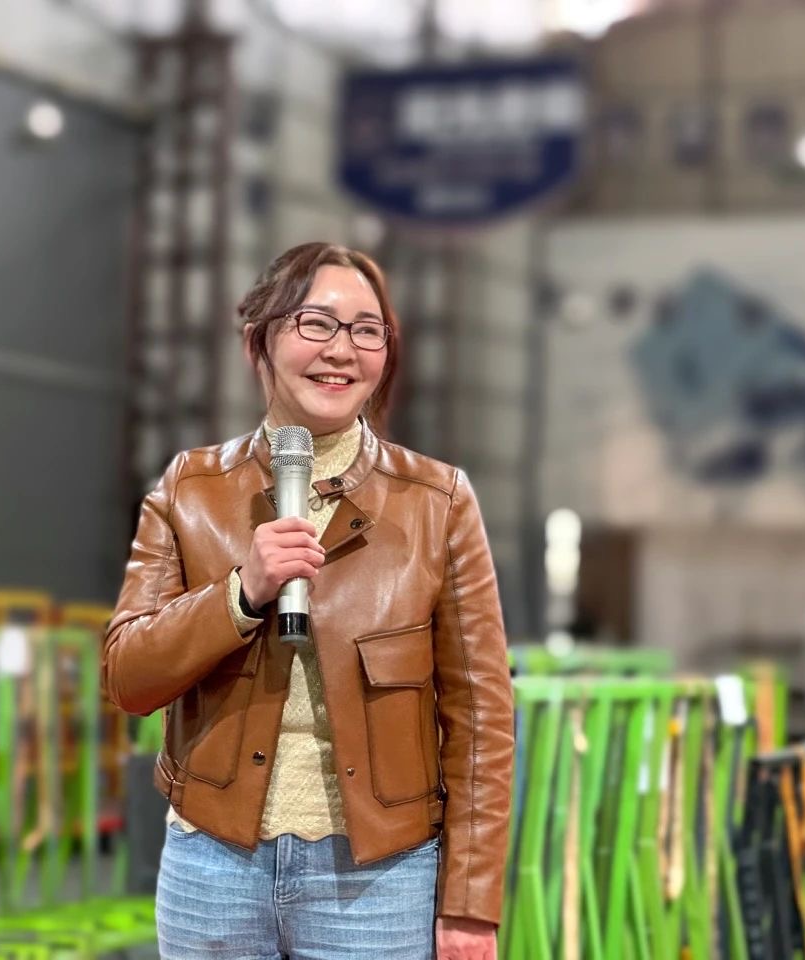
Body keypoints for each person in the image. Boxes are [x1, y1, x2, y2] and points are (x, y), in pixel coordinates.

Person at [103, 242, 514, 960]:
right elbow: (128, 676)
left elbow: (480, 717)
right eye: (317, 323)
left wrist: (470, 905)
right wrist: (239, 594)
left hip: (380, 877)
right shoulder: (189, 489)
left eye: (367, 330)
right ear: (258, 341)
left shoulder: (439, 501)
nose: (342, 350)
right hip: (212, 866)